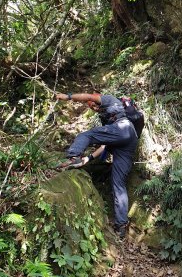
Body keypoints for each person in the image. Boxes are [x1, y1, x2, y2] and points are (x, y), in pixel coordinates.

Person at [55, 91, 138, 238]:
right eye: (90, 107)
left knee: (85, 135)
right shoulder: (108, 116)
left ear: (97, 99)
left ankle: (74, 156)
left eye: (92, 104)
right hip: (129, 138)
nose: (92, 107)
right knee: (118, 183)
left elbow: (87, 96)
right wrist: (89, 158)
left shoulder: (108, 99)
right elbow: (107, 143)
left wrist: (67, 97)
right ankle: (121, 225)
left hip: (123, 129)